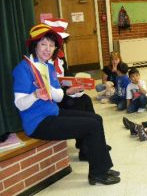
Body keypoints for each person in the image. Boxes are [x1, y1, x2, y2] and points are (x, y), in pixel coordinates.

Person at [13, 23, 120, 185]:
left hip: (53, 113)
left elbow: (57, 97)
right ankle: (97, 174)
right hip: (38, 123)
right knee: (91, 126)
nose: (47, 49)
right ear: (34, 45)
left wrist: (57, 89)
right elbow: (20, 104)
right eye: (43, 44)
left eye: (51, 45)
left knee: (96, 118)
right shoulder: (23, 69)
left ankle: (102, 166)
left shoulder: (47, 67)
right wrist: (36, 94)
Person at [45, 18, 96, 160]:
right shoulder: (44, 61)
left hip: (65, 94)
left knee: (85, 100)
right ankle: (85, 149)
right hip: (53, 99)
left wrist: (78, 86)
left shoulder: (60, 58)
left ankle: (89, 142)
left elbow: (67, 77)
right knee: (79, 107)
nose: (59, 46)